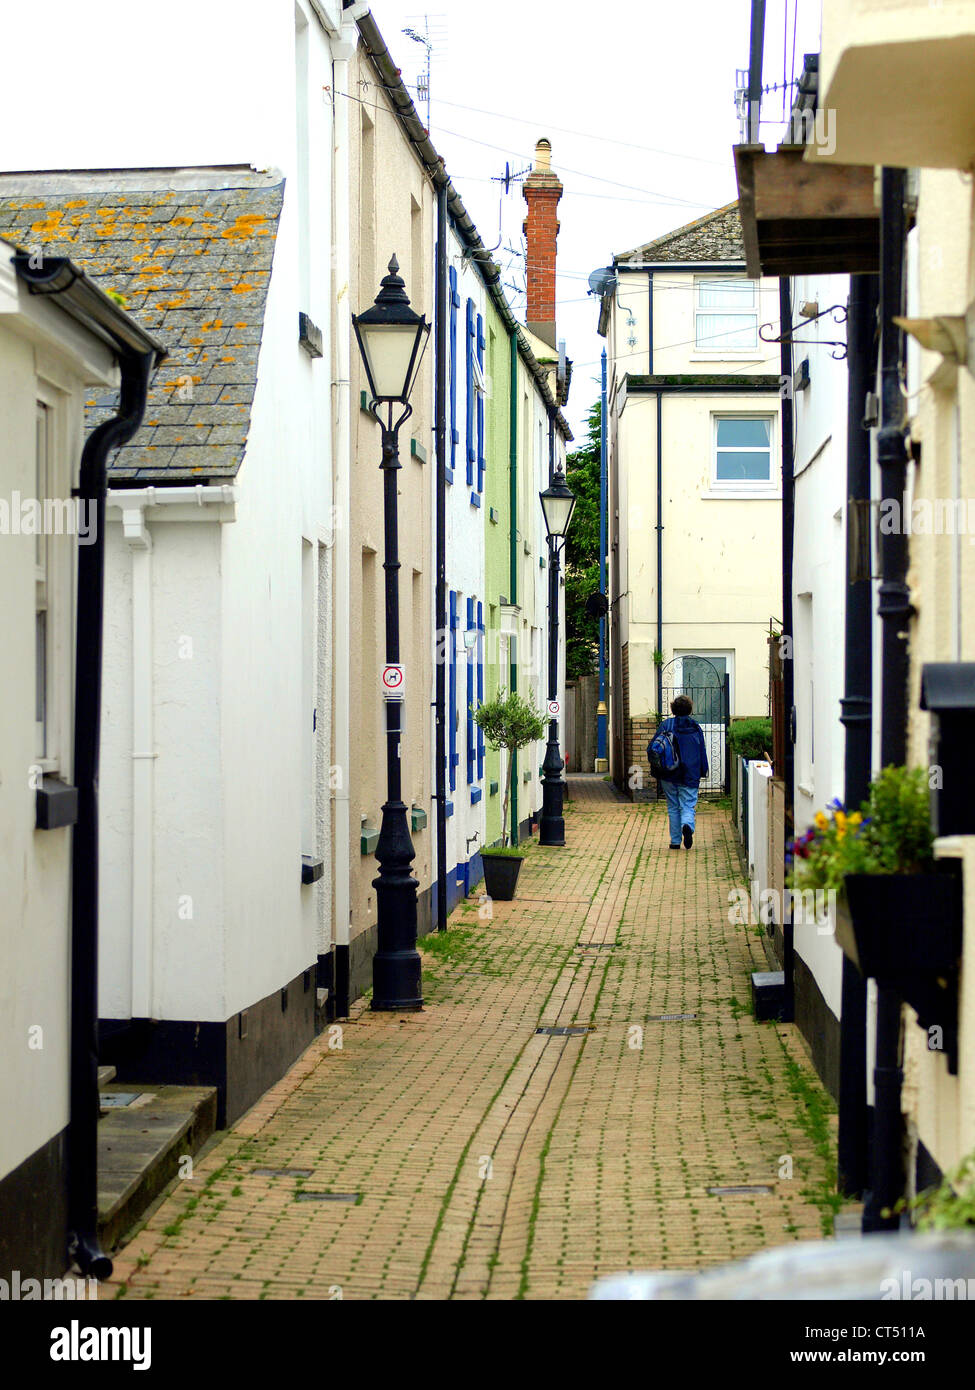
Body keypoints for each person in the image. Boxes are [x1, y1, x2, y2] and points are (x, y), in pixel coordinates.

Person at [657, 694, 709, 849]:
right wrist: (703, 770)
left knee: (673, 806)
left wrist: (658, 768)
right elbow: (701, 750)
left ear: (673, 709)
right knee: (687, 805)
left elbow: (656, 747)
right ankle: (687, 825)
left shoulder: (666, 725)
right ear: (690, 709)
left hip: (669, 772)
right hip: (690, 772)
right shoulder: (695, 727)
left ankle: (675, 841)